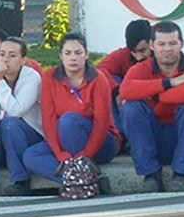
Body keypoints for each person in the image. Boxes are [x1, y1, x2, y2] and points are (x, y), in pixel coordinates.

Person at [118, 20, 184, 191]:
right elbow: (125, 91)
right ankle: (151, 175)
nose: (167, 49)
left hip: (183, 139)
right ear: (152, 45)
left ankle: (182, 174)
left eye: (172, 43)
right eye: (161, 43)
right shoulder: (141, 68)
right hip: (152, 140)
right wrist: (172, 82)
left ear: (181, 44)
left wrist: (155, 94)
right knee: (130, 108)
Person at [22, 32, 118, 183]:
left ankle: (79, 172)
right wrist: (60, 155)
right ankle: (79, 180)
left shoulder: (98, 79)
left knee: (68, 120)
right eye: (68, 53)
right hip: (64, 141)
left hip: (100, 143)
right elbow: (49, 120)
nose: (73, 57)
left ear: (86, 55)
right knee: (31, 155)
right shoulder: (50, 77)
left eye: (78, 53)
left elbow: (102, 123)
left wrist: (85, 155)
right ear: (61, 55)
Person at [0, 35, 44, 196]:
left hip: (31, 134)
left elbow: (16, 110)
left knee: (10, 123)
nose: (5, 59)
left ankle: (21, 181)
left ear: (23, 60)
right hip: (7, 134)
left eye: (12, 55)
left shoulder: (32, 77)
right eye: (2, 54)